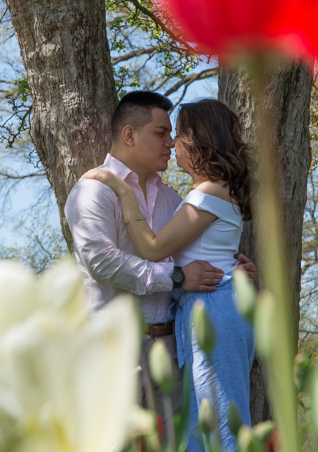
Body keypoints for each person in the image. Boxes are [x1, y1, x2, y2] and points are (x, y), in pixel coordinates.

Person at [64, 91, 256, 420]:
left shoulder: (173, 199)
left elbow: (186, 254)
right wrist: (178, 277)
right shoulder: (93, 190)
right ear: (129, 134)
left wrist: (227, 271)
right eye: (161, 133)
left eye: (173, 134)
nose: (170, 142)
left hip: (171, 352)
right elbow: (102, 263)